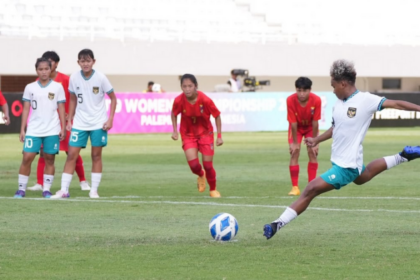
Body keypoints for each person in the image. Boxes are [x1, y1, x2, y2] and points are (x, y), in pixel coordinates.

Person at [263, 59, 420, 239]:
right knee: (364, 175)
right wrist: (317, 140)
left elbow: (397, 104)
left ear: (343, 83)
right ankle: (404, 155)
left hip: (346, 165)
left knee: (310, 189)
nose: (333, 90)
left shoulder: (365, 100)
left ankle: (276, 224)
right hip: (347, 159)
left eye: (333, 86)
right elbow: (335, 128)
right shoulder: (338, 104)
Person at [50, 49, 117, 199]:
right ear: (78, 62)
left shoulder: (101, 77)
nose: (85, 63)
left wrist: (110, 119)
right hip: (79, 123)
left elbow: (113, 98)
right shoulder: (74, 77)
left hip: (98, 123)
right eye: (82, 61)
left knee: (96, 155)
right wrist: (69, 120)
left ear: (93, 61)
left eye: (88, 61)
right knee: (71, 154)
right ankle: (64, 190)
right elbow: (72, 99)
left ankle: (94, 190)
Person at [27, 51, 90, 192]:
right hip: (47, 124)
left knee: (72, 151)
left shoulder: (65, 79)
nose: (48, 65)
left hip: (65, 122)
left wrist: (71, 116)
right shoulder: (38, 83)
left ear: (56, 64)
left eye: (51, 62)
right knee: (44, 152)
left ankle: (83, 181)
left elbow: (74, 97)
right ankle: (40, 183)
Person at [14, 57, 66, 198]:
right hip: (34, 129)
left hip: (52, 129)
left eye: (46, 69)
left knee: (49, 158)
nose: (43, 72)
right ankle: (21, 189)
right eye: (40, 69)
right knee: (27, 157)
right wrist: (22, 129)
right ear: (36, 70)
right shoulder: (30, 87)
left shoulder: (57, 87)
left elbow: (61, 108)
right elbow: (26, 109)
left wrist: (63, 127)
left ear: (51, 69)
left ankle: (46, 189)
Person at [171, 74, 223, 198]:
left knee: (208, 165)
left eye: (190, 86)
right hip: (188, 134)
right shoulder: (179, 100)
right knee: (194, 166)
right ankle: (200, 174)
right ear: (181, 87)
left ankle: (213, 190)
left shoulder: (205, 100)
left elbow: (217, 116)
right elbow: (173, 113)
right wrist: (174, 131)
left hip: (205, 134)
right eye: (184, 86)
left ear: (196, 86)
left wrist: (219, 136)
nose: (187, 89)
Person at [286, 77, 322, 196]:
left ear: (310, 90)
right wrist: (295, 143)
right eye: (299, 90)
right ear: (296, 89)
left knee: (312, 152)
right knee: (295, 152)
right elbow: (293, 123)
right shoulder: (290, 100)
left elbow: (315, 122)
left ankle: (311, 186)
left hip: (311, 128)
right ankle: (295, 187)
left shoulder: (316, 100)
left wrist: (316, 141)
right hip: (296, 128)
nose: (301, 94)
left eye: (304, 91)